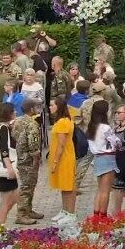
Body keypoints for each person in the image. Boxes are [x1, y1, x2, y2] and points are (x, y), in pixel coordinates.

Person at [47, 95, 78, 223]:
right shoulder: (61, 120)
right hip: (62, 158)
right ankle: (65, 210)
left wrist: (55, 161)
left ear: (58, 107)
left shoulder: (63, 122)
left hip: (64, 158)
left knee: (68, 187)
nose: (50, 107)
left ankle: (71, 213)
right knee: (63, 185)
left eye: (52, 105)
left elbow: (61, 145)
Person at [0, 103, 19, 225]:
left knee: (14, 196)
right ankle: (0, 226)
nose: (16, 113)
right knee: (6, 199)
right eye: (14, 111)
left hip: (6, 166)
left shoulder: (5, 127)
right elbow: (4, 149)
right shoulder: (3, 128)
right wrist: (9, 168)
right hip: (5, 168)